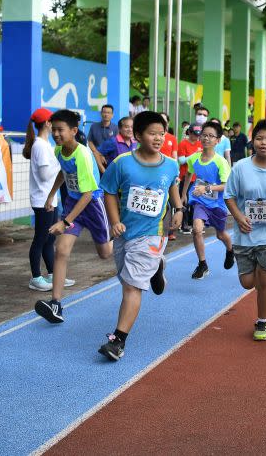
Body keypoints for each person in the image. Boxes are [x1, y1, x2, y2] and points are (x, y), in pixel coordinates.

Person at [96, 111, 182, 360]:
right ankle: (157, 267)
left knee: (132, 287)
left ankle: (118, 341)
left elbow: (172, 184)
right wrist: (114, 222)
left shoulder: (170, 164)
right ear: (137, 135)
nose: (158, 138)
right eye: (152, 133)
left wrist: (178, 209)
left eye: (162, 134)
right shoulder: (121, 163)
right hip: (125, 234)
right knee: (126, 282)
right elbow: (109, 192)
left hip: (152, 235)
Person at [34, 110, 114, 324]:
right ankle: (56, 304)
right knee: (61, 250)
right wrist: (51, 195)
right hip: (73, 205)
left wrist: (65, 221)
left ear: (74, 131)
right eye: (54, 130)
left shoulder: (83, 154)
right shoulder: (59, 150)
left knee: (106, 253)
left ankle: (129, 244)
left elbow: (88, 194)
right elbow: (64, 172)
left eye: (61, 130)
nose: (57, 134)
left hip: (92, 205)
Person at [224, 119, 266, 341]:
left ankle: (262, 321)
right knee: (248, 282)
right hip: (246, 233)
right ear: (253, 141)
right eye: (259, 138)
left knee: (265, 277)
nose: (264, 143)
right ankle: (261, 296)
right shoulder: (240, 167)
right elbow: (229, 196)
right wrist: (239, 217)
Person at [23, 108, 74, 292]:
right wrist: (62, 165)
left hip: (50, 199)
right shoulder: (40, 146)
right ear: (47, 123)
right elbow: (45, 175)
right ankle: (36, 277)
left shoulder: (44, 144)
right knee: (40, 239)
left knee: (49, 239)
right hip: (42, 200)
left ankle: (54, 274)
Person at [181, 121, 234, 279]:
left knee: (220, 234)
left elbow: (226, 186)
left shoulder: (221, 162)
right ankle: (202, 264)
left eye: (211, 136)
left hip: (217, 204)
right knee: (197, 229)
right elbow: (189, 174)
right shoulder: (194, 158)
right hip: (200, 201)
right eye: (204, 135)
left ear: (218, 140)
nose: (206, 138)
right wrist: (184, 194)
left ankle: (230, 250)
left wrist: (207, 188)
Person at [177, 123, 203, 234]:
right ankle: (184, 225)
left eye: (198, 135)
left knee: (196, 201)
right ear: (190, 132)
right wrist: (195, 154)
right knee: (185, 201)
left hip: (197, 177)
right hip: (185, 176)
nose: (196, 137)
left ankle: (194, 224)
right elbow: (182, 161)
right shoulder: (183, 144)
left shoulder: (200, 144)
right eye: (194, 134)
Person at [159, 113, 179, 241]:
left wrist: (176, 174)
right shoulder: (151, 137)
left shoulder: (172, 138)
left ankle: (171, 230)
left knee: (171, 202)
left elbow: (174, 156)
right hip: (155, 174)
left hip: (169, 175)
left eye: (164, 120)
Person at [88, 104, 118, 173]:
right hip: (95, 158)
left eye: (108, 113)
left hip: (111, 160)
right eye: (104, 112)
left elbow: (117, 144)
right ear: (101, 113)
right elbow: (90, 141)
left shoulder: (115, 128)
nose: (106, 114)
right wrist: (99, 154)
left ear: (112, 115)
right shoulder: (94, 126)